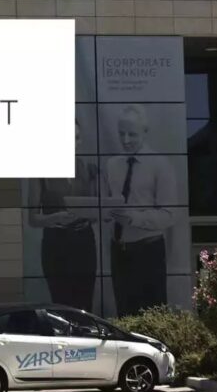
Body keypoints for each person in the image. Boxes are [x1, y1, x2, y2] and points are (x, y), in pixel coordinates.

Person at [102, 104, 175, 316]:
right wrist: (105, 214)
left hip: (148, 251)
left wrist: (133, 218)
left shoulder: (160, 165)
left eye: (132, 134)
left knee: (152, 314)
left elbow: (170, 214)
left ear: (145, 131)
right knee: (124, 313)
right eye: (121, 133)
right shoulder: (111, 165)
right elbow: (106, 203)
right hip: (119, 252)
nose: (125, 140)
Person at [25, 118, 98, 311]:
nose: (74, 143)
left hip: (84, 240)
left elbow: (96, 210)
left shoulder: (86, 168)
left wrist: (90, 213)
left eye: (77, 138)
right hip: (56, 242)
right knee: (62, 302)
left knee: (84, 303)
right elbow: (32, 218)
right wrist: (55, 218)